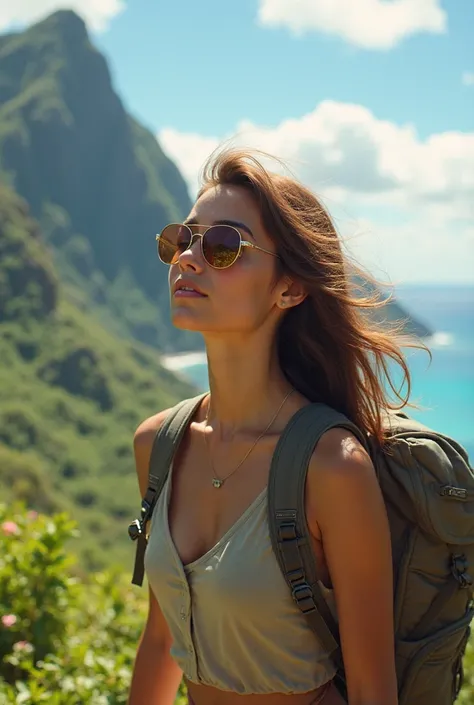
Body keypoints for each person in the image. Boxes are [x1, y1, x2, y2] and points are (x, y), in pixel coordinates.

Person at [128, 148, 409, 705]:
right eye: (182, 240)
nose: (188, 258)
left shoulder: (331, 467)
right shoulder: (158, 444)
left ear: (291, 289)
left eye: (224, 246)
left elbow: (375, 689)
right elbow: (164, 640)